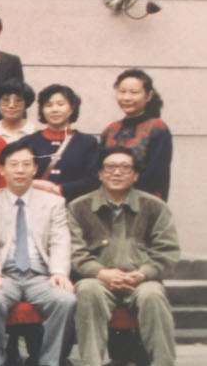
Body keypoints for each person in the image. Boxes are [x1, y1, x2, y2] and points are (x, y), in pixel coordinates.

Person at [70, 147, 180, 366]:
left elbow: (167, 251)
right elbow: (74, 251)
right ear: (100, 173)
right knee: (87, 290)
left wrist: (142, 274)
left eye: (125, 167)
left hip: (142, 280)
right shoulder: (79, 207)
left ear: (136, 175)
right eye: (110, 167)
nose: (117, 172)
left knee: (153, 295)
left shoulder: (154, 207)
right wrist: (101, 273)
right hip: (98, 279)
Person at [0, 143, 76, 366]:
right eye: (14, 165)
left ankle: (49, 361)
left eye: (26, 164)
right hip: (5, 275)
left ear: (35, 169)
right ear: (2, 170)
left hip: (40, 275)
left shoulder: (54, 203)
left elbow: (60, 241)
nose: (20, 170)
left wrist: (59, 272)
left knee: (65, 299)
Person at [14, 85, 100, 202]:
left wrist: (61, 189)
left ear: (72, 108)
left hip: (74, 206)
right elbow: (16, 175)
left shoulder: (87, 142)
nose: (54, 109)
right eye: (48, 105)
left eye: (60, 104)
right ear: (42, 110)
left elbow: (94, 180)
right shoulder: (27, 142)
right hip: (35, 204)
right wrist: (34, 184)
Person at [101, 69, 170, 200]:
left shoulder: (157, 128)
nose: (126, 98)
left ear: (148, 96)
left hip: (144, 201)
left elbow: (156, 174)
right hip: (108, 202)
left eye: (134, 92)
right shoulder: (110, 130)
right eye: (122, 91)